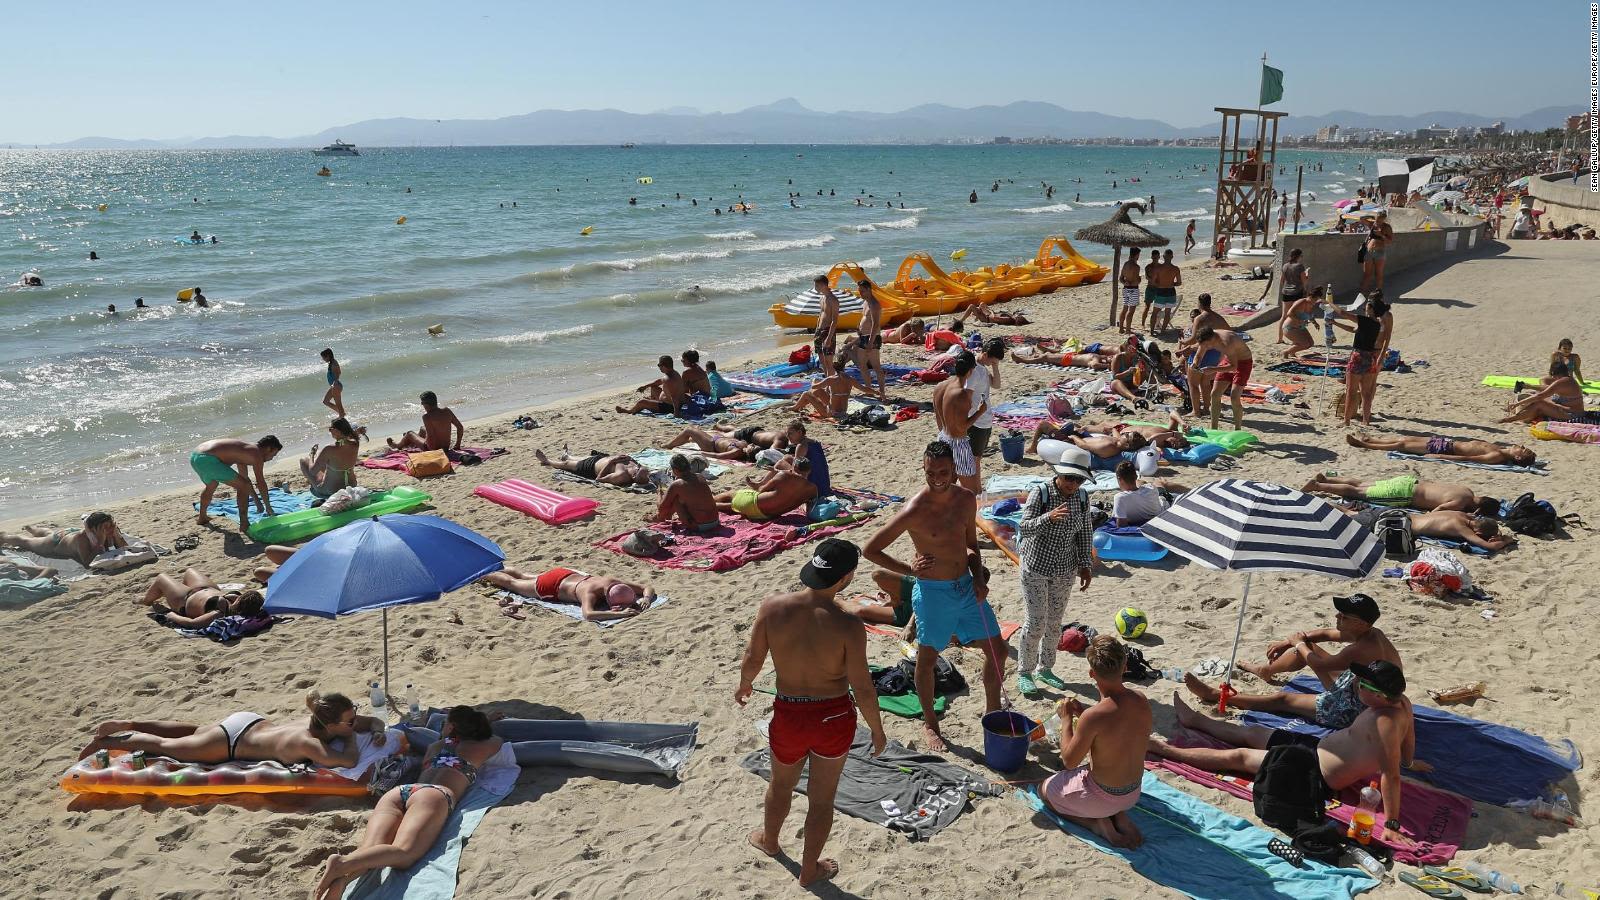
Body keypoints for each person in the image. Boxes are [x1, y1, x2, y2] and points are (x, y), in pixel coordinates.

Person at [737, 539, 886, 887]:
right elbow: (862, 686)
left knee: (781, 783)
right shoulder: (847, 623)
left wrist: (745, 684)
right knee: (822, 798)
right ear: (847, 577)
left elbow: (753, 656)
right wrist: (877, 730)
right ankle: (809, 871)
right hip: (833, 717)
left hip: (789, 712)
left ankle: (770, 842)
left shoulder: (772, 607)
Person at [1149, 661, 1418, 844]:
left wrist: (1392, 825)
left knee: (1239, 757)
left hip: (1314, 773)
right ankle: (1196, 721)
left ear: (1380, 695)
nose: (1356, 685)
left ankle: (1165, 749)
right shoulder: (1401, 703)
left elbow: (1390, 776)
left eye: (1362, 685)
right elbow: (1410, 735)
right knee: (1252, 734)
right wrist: (1410, 760)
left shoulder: (1385, 723)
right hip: (1314, 749)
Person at [863, 441, 1005, 751]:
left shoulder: (966, 499)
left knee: (998, 650)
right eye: (930, 473)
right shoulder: (916, 508)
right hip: (933, 592)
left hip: (966, 587)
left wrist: (979, 575)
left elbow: (971, 544)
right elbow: (870, 549)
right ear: (924, 470)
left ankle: (993, 709)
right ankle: (931, 724)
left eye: (943, 472)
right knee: (926, 660)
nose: (937, 478)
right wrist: (909, 570)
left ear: (954, 470)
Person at [313, 705, 508, 900]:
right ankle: (342, 862)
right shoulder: (484, 746)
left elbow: (453, 739)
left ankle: (343, 881)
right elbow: (492, 737)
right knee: (404, 853)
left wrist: (470, 724)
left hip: (402, 791)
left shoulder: (436, 746)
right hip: (434, 795)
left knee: (370, 849)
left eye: (445, 723)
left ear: (451, 728)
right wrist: (486, 721)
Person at [1184, 594, 1401, 733]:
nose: (1337, 617)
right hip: (1362, 688)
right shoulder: (1371, 633)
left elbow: (1319, 665)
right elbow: (1325, 633)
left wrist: (1298, 645)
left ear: (1361, 623)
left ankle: (1215, 695)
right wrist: (1288, 642)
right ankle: (1265, 670)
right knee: (1306, 646)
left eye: (1343, 616)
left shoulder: (1360, 649)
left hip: (1356, 708)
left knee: (1282, 699)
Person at [1040, 636, 1153, 848]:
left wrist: (1067, 720)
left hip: (1104, 796)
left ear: (1092, 674)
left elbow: (1069, 761)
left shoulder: (1093, 717)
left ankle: (1097, 825)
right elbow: (1119, 734)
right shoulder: (1140, 699)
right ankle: (1118, 816)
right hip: (1133, 793)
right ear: (1125, 667)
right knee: (1106, 765)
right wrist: (1084, 715)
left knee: (1045, 791)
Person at [82, 691, 382, 768]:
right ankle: (110, 741)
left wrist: (378, 728)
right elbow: (348, 761)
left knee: (193, 731)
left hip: (247, 721)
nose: (356, 721)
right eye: (349, 719)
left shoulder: (320, 720)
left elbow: (372, 721)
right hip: (229, 744)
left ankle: (129, 722)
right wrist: (352, 736)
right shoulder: (309, 743)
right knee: (165, 746)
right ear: (332, 725)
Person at [1014, 447, 1094, 696]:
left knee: (1054, 623)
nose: (1073, 483)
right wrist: (1048, 518)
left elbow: (1085, 533)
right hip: (1036, 566)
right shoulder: (1042, 493)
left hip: (1065, 569)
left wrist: (1085, 565)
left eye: (1078, 479)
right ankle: (1024, 672)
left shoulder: (1082, 498)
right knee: (1036, 622)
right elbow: (1024, 528)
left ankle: (1045, 668)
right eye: (1069, 477)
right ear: (1059, 473)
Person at [484, 566, 655, 621]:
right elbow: (588, 614)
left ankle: (496, 565)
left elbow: (646, 587)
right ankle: (482, 573)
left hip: (564, 573)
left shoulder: (613, 582)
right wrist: (618, 614)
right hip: (551, 586)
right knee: (513, 583)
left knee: (524, 575)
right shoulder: (590, 593)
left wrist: (646, 598)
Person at [192, 436, 282, 532]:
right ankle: (244, 523)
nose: (271, 458)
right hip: (208, 459)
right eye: (273, 454)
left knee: (211, 485)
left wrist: (257, 502)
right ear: (268, 449)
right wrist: (268, 507)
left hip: (196, 456)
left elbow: (244, 478)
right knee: (243, 486)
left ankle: (202, 517)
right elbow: (260, 482)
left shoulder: (245, 450)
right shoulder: (257, 455)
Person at [1341, 505, 1516, 552]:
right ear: (1477, 532)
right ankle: (1324, 506)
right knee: (1344, 521)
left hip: (1395, 513)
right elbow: (1489, 547)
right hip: (1392, 523)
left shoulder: (1460, 515)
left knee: (1350, 515)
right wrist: (1507, 540)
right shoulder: (1462, 528)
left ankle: (1331, 505)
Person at [931, 351, 989, 494]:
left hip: (943, 437)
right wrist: (980, 412)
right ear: (971, 371)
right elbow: (962, 426)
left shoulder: (941, 386)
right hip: (958, 444)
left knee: (944, 488)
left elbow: (938, 415)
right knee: (971, 492)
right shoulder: (961, 394)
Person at [1302, 473, 1498, 514]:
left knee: (1362, 484)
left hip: (1408, 481)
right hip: (1404, 493)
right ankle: (1318, 486)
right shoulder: (1461, 502)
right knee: (1359, 493)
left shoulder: (1466, 490)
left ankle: (1327, 479)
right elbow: (1440, 510)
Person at [138, 570, 265, 628]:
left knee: (161, 578)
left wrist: (171, 615)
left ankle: (145, 600)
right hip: (205, 588)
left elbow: (192, 623)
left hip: (184, 599)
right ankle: (177, 588)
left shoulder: (218, 613)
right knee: (189, 571)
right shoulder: (236, 600)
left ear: (239, 603)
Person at [1, 511, 126, 567]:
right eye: (106, 527)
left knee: (49, 532)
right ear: (93, 529)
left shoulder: (111, 531)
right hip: (56, 542)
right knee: (27, 542)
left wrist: (116, 535)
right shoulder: (81, 539)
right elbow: (87, 562)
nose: (110, 529)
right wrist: (99, 542)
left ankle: (33, 529)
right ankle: (4, 536)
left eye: (112, 525)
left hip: (68, 534)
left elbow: (124, 548)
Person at [1345, 433, 1537, 467]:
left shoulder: (1497, 456)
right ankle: (1374, 439)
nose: (1519, 446)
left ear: (1518, 457)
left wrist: (1440, 456)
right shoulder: (1501, 450)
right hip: (1449, 442)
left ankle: (1364, 445)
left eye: (1522, 449)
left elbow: (1470, 460)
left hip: (1448, 448)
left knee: (1402, 446)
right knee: (1406, 439)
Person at [1193, 326, 1253, 431]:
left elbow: (1234, 367)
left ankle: (1237, 429)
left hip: (1243, 362)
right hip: (1228, 360)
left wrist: (1213, 369)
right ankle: (1214, 428)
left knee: (1234, 397)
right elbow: (1198, 356)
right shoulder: (1206, 337)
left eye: (1207, 345)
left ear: (1212, 339)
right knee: (1215, 394)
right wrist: (1195, 365)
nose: (1205, 347)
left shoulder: (1226, 342)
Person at [964, 339, 1006, 487]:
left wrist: (995, 366)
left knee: (976, 458)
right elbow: (966, 394)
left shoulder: (982, 367)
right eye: (992, 361)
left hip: (983, 418)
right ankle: (976, 490)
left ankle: (975, 488)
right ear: (986, 354)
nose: (992, 363)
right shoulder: (975, 369)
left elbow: (996, 385)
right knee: (974, 459)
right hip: (976, 420)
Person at [717, 459, 817, 520]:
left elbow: (761, 490)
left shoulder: (784, 475)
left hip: (752, 503)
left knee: (729, 495)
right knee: (729, 506)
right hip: (769, 516)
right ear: (809, 471)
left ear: (794, 466)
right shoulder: (812, 489)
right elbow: (810, 509)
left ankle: (707, 502)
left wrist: (760, 486)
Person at [1500, 360, 1589, 424]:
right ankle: (1516, 412)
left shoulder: (1562, 382)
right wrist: (1528, 386)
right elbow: (1548, 389)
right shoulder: (1568, 379)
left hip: (1573, 414)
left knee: (1539, 403)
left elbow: (1540, 396)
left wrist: (1517, 404)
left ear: (1555, 373)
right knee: (1535, 396)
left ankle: (1510, 419)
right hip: (1566, 408)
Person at [653, 454, 719, 533]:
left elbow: (662, 507)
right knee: (680, 497)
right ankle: (664, 517)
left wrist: (659, 494)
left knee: (675, 499)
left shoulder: (677, 484)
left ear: (675, 470)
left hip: (699, 526)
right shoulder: (699, 476)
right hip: (715, 521)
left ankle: (660, 518)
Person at [1110, 460, 1187, 527]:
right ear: (1136, 476)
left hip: (1166, 499)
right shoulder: (1150, 488)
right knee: (1155, 483)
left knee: (1160, 483)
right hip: (1159, 504)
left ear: (1120, 479)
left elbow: (1121, 526)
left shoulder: (1120, 498)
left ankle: (1189, 490)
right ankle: (1188, 489)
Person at [302, 417, 363, 500]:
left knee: (303, 460)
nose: (330, 431)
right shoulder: (355, 443)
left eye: (331, 429)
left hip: (332, 490)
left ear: (337, 431)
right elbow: (350, 437)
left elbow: (313, 471)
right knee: (327, 463)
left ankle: (314, 484)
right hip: (351, 485)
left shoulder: (329, 449)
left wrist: (312, 455)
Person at [388, 390, 464, 452]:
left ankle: (397, 446)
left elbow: (430, 437)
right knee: (422, 428)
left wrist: (424, 445)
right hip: (446, 447)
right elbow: (460, 427)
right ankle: (411, 443)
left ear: (426, 404)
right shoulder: (447, 411)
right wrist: (457, 445)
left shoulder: (427, 417)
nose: (422, 405)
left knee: (409, 433)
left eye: (422, 403)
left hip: (432, 449)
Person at [784, 355, 855, 420]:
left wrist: (814, 381)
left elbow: (814, 386)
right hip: (842, 412)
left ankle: (795, 407)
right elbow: (865, 389)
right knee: (818, 391)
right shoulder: (850, 379)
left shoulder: (831, 379)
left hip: (831, 413)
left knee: (806, 393)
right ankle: (801, 405)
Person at [535, 448, 651, 487]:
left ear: (634, 476)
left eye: (638, 469)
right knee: (580, 458)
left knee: (566, 465)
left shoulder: (621, 476)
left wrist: (611, 462)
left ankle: (547, 461)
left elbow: (599, 479)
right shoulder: (635, 466)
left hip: (590, 468)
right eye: (639, 466)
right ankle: (566, 455)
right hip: (598, 459)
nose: (637, 467)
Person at [617, 356, 688, 416]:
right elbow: (659, 381)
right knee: (653, 387)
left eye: (659, 365)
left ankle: (629, 411)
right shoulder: (674, 373)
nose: (659, 367)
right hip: (670, 402)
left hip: (669, 407)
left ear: (663, 366)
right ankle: (653, 402)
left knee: (642, 402)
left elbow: (674, 397)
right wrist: (645, 386)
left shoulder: (668, 379)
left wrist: (676, 413)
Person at [854, 279, 888, 400]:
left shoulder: (874, 304)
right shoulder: (865, 303)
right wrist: (859, 327)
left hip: (872, 337)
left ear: (869, 289)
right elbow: (864, 318)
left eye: (862, 291)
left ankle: (882, 392)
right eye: (859, 291)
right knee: (862, 364)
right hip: (863, 336)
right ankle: (869, 389)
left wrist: (870, 342)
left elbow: (876, 324)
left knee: (876, 366)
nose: (861, 294)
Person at [781, 420, 831, 499]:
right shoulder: (814, 442)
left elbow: (795, 471)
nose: (788, 436)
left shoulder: (801, 446)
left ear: (800, 432)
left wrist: (778, 471)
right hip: (824, 485)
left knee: (781, 463)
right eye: (787, 434)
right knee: (787, 457)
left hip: (813, 485)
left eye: (790, 433)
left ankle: (763, 484)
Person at [658, 425, 763, 461]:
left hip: (710, 445)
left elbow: (718, 456)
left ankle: (669, 445)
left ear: (749, 453)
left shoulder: (737, 452)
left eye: (753, 447)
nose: (753, 444)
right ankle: (682, 440)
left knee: (689, 430)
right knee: (694, 432)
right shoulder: (744, 445)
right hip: (717, 439)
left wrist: (702, 454)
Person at [1281, 286, 1324, 359]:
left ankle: (1292, 352)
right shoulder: (1301, 302)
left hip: (1300, 327)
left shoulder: (1311, 304)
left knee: (1310, 343)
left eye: (1316, 300)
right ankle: (1286, 352)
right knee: (1305, 344)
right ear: (1310, 296)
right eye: (1314, 299)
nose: (1315, 301)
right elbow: (1289, 313)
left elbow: (1310, 316)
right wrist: (1299, 321)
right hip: (1290, 327)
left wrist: (1315, 323)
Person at [1277, 248, 1310, 343]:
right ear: (1298, 256)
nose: (1302, 258)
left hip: (1286, 293)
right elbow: (1304, 281)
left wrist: (1287, 287)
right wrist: (1307, 276)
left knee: (1284, 316)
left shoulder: (1285, 266)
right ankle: (1295, 339)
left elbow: (1282, 280)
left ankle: (1280, 338)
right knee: (1296, 316)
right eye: (1301, 256)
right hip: (1297, 293)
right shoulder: (1300, 266)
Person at [813, 275, 841, 380]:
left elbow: (835, 320)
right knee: (822, 361)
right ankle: (827, 383)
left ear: (823, 285)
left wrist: (829, 338)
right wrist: (816, 331)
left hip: (828, 331)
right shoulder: (822, 298)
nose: (815, 287)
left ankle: (834, 384)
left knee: (829, 362)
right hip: (820, 331)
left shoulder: (833, 300)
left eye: (816, 285)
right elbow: (821, 315)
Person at [1148, 250, 1181, 334]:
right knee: (1167, 312)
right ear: (1172, 257)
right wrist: (1171, 283)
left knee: (1155, 312)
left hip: (1161, 291)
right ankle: (1162, 331)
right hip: (1171, 291)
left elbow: (1153, 281)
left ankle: (1152, 331)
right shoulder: (1175, 269)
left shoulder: (1158, 268)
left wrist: (1160, 284)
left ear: (1163, 256)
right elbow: (1179, 282)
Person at [1118, 248, 1143, 334]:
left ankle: (1121, 328)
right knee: (1131, 310)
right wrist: (1140, 279)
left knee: (1125, 308)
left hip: (1125, 288)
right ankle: (1128, 330)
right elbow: (1136, 281)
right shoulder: (1136, 267)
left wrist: (1125, 282)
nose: (1139, 256)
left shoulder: (1125, 264)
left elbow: (1121, 278)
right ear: (1136, 255)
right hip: (1133, 289)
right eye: (1139, 255)